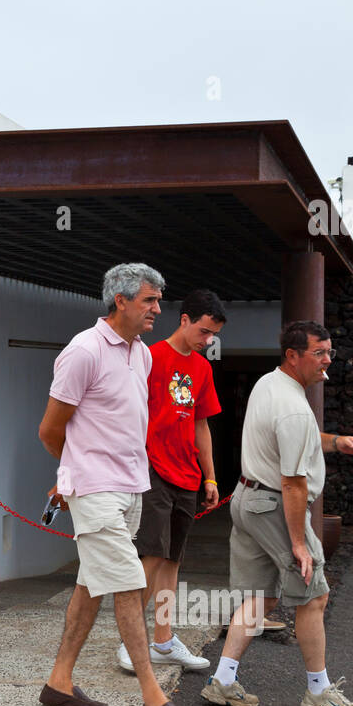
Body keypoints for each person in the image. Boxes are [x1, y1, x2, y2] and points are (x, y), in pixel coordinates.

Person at [37, 263, 198, 706]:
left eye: (158, 299)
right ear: (120, 301)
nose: (157, 308)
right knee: (129, 582)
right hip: (95, 489)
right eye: (149, 300)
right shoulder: (83, 351)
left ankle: (59, 682)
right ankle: (152, 696)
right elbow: (50, 430)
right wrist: (71, 477)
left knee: (92, 584)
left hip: (132, 487)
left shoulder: (141, 354)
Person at [201, 320, 353, 706]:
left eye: (330, 351)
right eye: (319, 353)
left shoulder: (270, 383)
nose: (327, 360)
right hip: (276, 505)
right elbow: (294, 485)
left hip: (246, 498)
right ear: (293, 356)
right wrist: (298, 543)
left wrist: (335, 442)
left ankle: (222, 681)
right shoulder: (293, 407)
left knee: (262, 596)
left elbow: (298, 440)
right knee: (315, 596)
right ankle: (318, 691)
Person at [116, 289, 224, 675]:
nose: (207, 340)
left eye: (213, 334)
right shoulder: (149, 356)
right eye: (204, 330)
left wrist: (210, 476)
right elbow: (125, 409)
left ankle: (163, 640)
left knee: (173, 559)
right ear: (184, 319)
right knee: (151, 555)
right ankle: (132, 641)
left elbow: (201, 424)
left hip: (187, 473)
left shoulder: (202, 368)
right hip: (151, 468)